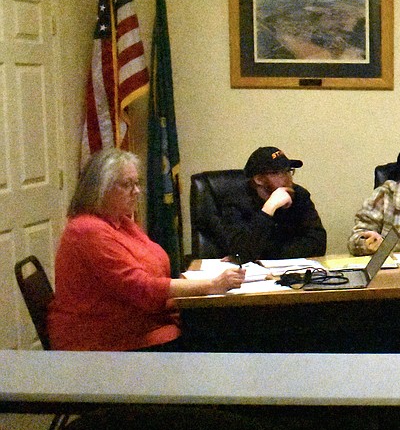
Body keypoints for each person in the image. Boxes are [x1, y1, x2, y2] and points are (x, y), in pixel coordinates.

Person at [48, 148, 245, 351]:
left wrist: (205, 277)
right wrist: (211, 285)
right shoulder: (88, 230)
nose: (137, 191)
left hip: (147, 324)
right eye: (126, 185)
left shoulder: (120, 222)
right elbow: (142, 289)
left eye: (136, 183)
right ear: (100, 189)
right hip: (110, 341)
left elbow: (154, 266)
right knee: (231, 338)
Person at [205, 146, 327, 261]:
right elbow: (242, 252)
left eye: (288, 171)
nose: (288, 178)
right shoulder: (235, 201)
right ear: (259, 179)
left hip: (290, 272)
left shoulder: (299, 195)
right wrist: (269, 209)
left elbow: (318, 244)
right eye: (279, 173)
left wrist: (263, 254)